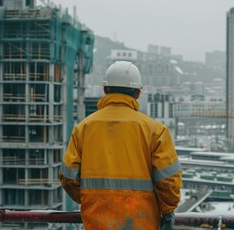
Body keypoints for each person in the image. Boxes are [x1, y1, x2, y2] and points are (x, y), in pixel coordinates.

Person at [59, 61, 182, 230]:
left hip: (97, 222)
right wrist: (168, 209)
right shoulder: (155, 130)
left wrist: (92, 199)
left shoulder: (83, 129)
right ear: (138, 93)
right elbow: (168, 181)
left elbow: (68, 177)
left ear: (105, 90)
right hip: (141, 222)